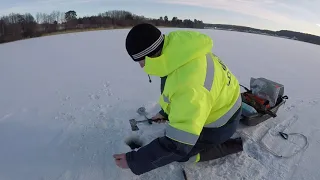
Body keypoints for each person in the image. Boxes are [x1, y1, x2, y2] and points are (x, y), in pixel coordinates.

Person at [113, 23, 244, 175]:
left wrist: (134, 160)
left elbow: (178, 145)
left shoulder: (189, 85)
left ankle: (230, 145)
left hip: (221, 124)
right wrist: (166, 113)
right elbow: (176, 92)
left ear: (151, 55)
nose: (141, 67)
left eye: (141, 61)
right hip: (224, 102)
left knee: (183, 155)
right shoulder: (178, 51)